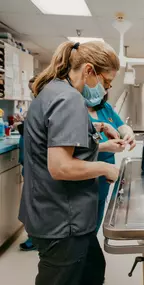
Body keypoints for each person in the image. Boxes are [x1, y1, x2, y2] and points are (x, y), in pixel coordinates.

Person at [19, 41, 123, 285]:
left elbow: (60, 139)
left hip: (56, 213)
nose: (105, 89)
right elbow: (61, 166)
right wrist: (106, 168)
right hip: (62, 219)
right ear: (88, 71)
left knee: (93, 270)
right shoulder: (69, 100)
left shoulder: (54, 91)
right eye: (105, 82)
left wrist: (94, 128)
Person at [88, 92, 136, 233]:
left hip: (105, 175)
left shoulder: (104, 108)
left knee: (97, 216)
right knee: (84, 221)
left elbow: (121, 126)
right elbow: (76, 147)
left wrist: (128, 134)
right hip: (86, 172)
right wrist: (104, 146)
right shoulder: (76, 110)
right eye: (106, 82)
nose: (106, 88)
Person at [14, 76, 38, 251]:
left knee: (36, 201)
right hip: (29, 161)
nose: (32, 93)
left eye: (34, 88)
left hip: (37, 163)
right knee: (30, 200)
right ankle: (33, 235)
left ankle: (35, 237)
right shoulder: (37, 105)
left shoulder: (47, 104)